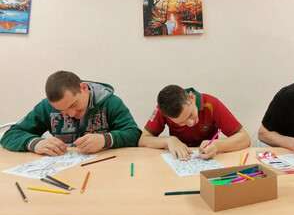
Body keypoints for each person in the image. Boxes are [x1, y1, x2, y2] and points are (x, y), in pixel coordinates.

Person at [0, 71, 142, 156]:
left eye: (74, 105)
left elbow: (134, 134)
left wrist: (105, 140)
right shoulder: (46, 107)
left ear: (83, 88)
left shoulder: (110, 103)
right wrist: (34, 143)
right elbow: (11, 135)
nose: (71, 114)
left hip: (105, 169)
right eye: (62, 110)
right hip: (63, 172)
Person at [139, 85, 251, 160]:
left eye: (191, 115)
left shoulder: (211, 104)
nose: (191, 123)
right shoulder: (163, 111)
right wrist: (169, 140)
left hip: (209, 160)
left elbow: (245, 138)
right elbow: (143, 140)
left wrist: (217, 145)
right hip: (181, 161)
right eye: (181, 122)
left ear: (191, 98)